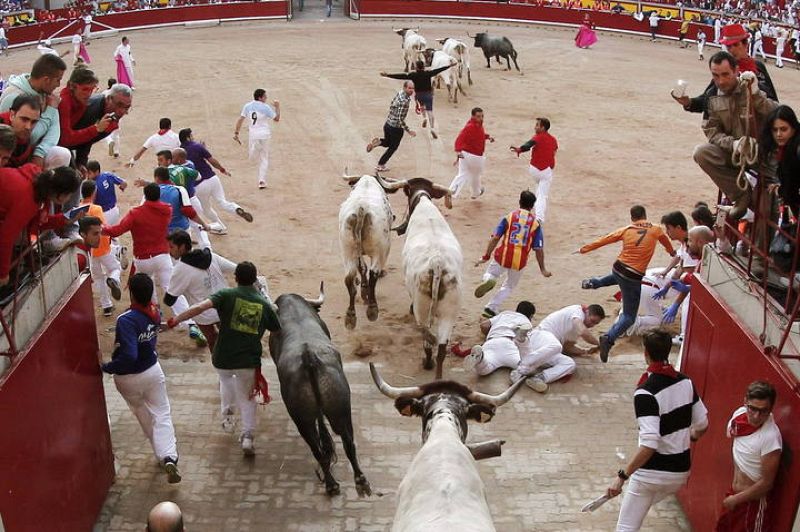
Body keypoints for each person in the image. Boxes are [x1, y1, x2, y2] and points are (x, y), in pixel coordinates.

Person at [168, 261, 281, 456]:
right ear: (254, 280)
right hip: (247, 360)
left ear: (235, 277)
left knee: (225, 381)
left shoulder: (226, 295)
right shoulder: (264, 305)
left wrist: (176, 319)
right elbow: (277, 329)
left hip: (223, 357)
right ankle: (247, 437)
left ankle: (227, 414)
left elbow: (200, 307)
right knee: (247, 399)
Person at [607, 329, 708, 532]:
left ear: (645, 353)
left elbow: (649, 444)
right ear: (669, 351)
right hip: (679, 474)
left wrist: (621, 477)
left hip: (651, 474)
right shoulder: (686, 381)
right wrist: (690, 436)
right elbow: (703, 424)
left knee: (626, 527)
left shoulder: (645, 392)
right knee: (640, 505)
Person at [101, 273, 182, 485]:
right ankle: (169, 455)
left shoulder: (126, 320)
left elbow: (128, 355)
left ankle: (160, 454)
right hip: (152, 371)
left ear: (132, 294)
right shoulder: (155, 312)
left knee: (142, 413)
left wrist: (108, 367)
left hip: (127, 379)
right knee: (162, 413)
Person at [579, 205, 675, 362]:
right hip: (633, 276)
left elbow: (605, 239)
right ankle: (608, 339)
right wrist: (671, 252)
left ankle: (593, 282)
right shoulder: (656, 229)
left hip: (619, 267)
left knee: (617, 277)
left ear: (632, 219)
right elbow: (665, 241)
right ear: (645, 215)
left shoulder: (626, 229)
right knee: (629, 317)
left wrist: (584, 249)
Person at [692, 52, 778, 220]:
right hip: (735, 154)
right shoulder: (712, 96)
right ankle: (741, 196)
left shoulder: (752, 87)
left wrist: (755, 94)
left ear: (736, 70)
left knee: (768, 212)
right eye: (715, 75)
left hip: (763, 156)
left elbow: (777, 114)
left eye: (725, 74)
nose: (721, 81)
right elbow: (712, 132)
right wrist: (734, 144)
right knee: (701, 153)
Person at [463, 301, 576, 394]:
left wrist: (490, 332)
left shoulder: (505, 314)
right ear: (531, 316)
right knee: (527, 366)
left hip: (491, 342)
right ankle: (518, 372)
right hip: (510, 345)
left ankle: (481, 358)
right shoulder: (527, 322)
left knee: (483, 370)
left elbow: (484, 325)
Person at [715, 381, 782, 532]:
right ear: (745, 401)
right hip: (733, 494)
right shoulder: (739, 415)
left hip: (751, 504)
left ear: (771, 409)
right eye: (752, 409)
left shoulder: (770, 437)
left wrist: (736, 499)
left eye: (763, 411)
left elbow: (766, 484)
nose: (757, 416)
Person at [0, 165, 81, 286]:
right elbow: (6, 237)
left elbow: (38, 222)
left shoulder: (39, 182)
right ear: (62, 193)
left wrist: (64, 220)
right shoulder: (27, 199)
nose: (69, 198)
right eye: (70, 195)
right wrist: (3, 274)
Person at [674, 24, 778, 119]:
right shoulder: (725, 69)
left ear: (745, 44)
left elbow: (773, 100)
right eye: (729, 46)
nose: (731, 50)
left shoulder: (758, 66)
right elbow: (708, 99)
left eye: (735, 45)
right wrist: (689, 102)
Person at [474, 190, 550, 318]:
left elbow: (495, 238)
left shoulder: (509, 217)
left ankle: (489, 280)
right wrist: (542, 268)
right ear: (532, 206)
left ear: (519, 202)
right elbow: (538, 249)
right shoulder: (535, 224)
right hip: (519, 261)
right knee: (509, 286)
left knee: (491, 273)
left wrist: (486, 256)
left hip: (502, 256)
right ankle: (491, 307)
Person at [165, 229, 237, 352]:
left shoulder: (180, 270)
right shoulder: (211, 256)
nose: (169, 251)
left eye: (172, 247)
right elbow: (236, 269)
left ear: (182, 247)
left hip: (203, 314)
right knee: (232, 339)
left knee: (212, 339)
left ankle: (221, 365)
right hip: (225, 307)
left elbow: (169, 300)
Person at [0, 53, 71, 169]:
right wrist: (51, 110)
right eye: (57, 80)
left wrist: (40, 153)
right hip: (9, 157)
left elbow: (55, 129)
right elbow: (24, 136)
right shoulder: (12, 96)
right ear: (46, 80)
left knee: (62, 154)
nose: (58, 85)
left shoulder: (44, 93)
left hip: (32, 152)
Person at [179, 128, 252, 235]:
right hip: (212, 179)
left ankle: (219, 225)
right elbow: (211, 160)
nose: (193, 137)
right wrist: (222, 170)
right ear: (188, 137)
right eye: (191, 135)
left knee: (206, 209)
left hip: (199, 185)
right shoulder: (198, 146)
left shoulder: (179, 153)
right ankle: (236, 208)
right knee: (222, 201)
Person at [379, 59, 453, 139]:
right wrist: (449, 65)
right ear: (424, 67)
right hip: (428, 94)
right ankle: (432, 128)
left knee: (422, 107)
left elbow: (401, 76)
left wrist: (387, 75)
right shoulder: (428, 73)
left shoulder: (413, 75)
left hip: (419, 95)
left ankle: (424, 118)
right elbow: (439, 70)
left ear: (416, 67)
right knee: (430, 112)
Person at [79, 182, 122, 316]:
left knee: (98, 277)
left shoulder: (78, 208)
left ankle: (107, 306)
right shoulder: (96, 208)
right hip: (101, 245)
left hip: (89, 250)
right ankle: (114, 279)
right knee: (115, 268)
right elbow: (103, 227)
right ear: (93, 193)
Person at [69, 83, 131, 167]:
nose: (122, 111)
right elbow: (68, 139)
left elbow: (87, 140)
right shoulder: (92, 109)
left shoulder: (111, 117)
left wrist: (81, 164)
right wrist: (76, 165)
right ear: (109, 98)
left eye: (127, 107)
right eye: (119, 105)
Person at [509, 117, 558, 223]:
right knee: (542, 195)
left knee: (539, 190)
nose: (535, 127)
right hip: (545, 171)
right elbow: (554, 152)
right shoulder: (553, 140)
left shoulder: (537, 137)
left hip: (534, 170)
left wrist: (520, 149)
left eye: (537, 125)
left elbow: (528, 145)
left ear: (543, 128)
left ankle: (533, 210)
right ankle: (539, 217)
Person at [57, 67, 115, 151]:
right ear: (72, 86)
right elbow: (65, 139)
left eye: (92, 89)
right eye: (85, 89)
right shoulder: (64, 103)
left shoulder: (80, 100)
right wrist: (96, 129)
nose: (88, 94)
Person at [233, 89, 280, 189]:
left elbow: (240, 120)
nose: (266, 98)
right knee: (264, 158)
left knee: (252, 156)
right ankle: (261, 181)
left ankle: (255, 148)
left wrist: (236, 132)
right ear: (260, 97)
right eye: (265, 96)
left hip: (253, 134)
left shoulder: (248, 106)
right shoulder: (265, 107)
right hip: (265, 134)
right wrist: (277, 107)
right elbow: (276, 119)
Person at [366, 81, 416, 172]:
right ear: (405, 88)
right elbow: (400, 118)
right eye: (409, 88)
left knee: (388, 142)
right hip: (396, 128)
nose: (411, 90)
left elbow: (392, 104)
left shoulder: (400, 93)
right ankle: (381, 164)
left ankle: (379, 142)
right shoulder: (405, 101)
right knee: (393, 147)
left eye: (412, 88)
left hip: (388, 124)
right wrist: (408, 130)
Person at [760, 105, 800, 217]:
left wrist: (780, 191)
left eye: (783, 129)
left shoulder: (796, 149)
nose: (778, 134)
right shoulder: (784, 148)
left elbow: (792, 186)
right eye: (775, 130)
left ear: (793, 129)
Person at [449, 107, 495, 199]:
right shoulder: (470, 126)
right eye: (478, 116)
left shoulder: (475, 125)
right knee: (475, 176)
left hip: (465, 154)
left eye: (482, 116)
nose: (481, 118)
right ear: (473, 116)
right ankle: (476, 193)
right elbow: (460, 138)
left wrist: (487, 137)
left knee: (462, 174)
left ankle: (451, 192)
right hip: (475, 156)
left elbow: (478, 135)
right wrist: (458, 150)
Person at [536, 303, 605, 357]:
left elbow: (567, 347)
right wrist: (600, 344)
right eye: (592, 321)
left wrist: (586, 351)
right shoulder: (578, 312)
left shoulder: (577, 325)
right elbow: (583, 332)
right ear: (587, 312)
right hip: (541, 338)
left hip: (547, 344)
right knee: (569, 364)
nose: (592, 325)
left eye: (596, 323)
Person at [0, 94, 42, 168]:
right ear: (12, 115)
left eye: (34, 122)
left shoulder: (26, 141)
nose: (28, 127)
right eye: (24, 119)